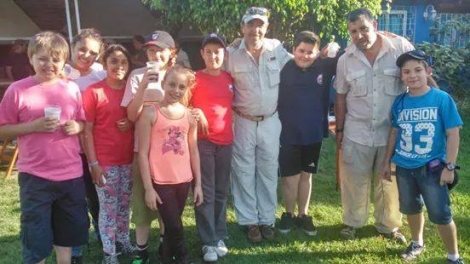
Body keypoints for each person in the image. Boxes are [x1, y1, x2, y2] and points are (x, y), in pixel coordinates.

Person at [0, 31, 88, 264]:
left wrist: (76, 127)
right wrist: (34, 126)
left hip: (71, 174)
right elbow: (2, 129)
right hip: (35, 177)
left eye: (56, 59)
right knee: (36, 236)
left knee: (67, 234)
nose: (49, 64)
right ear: (31, 58)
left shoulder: (71, 89)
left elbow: (82, 120)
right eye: (43, 59)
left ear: (64, 62)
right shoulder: (17, 90)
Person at [334, 8, 414, 241]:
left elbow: (417, 75)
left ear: (375, 25)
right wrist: (339, 129)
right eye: (353, 32)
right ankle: (352, 222)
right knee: (354, 180)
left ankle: (388, 225)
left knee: (389, 182)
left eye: (363, 28)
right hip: (356, 131)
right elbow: (340, 95)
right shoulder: (345, 60)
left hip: (392, 132)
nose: (359, 35)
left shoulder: (399, 48)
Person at [380, 50, 465, 264]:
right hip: (405, 167)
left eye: (418, 70)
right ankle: (417, 242)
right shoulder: (400, 102)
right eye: (406, 71)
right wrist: (386, 161)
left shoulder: (441, 99)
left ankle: (453, 256)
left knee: (441, 214)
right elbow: (394, 132)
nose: (412, 75)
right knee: (411, 208)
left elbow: (453, 133)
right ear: (401, 76)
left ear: (428, 71)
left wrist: (450, 166)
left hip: (432, 168)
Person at [226, 6, 292, 242]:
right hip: (242, 121)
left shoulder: (277, 48)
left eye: (260, 24)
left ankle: (267, 219)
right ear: (242, 27)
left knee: (267, 171)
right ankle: (249, 221)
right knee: (243, 171)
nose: (255, 29)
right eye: (250, 24)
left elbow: (303, 63)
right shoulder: (229, 54)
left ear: (266, 27)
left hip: (270, 121)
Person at [121, 30, 177, 263]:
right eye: (150, 50)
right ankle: (141, 250)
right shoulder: (136, 75)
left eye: (160, 49)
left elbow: (183, 110)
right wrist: (144, 86)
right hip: (142, 151)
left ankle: (165, 245)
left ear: (171, 52)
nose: (154, 54)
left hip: (171, 151)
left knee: (167, 201)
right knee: (143, 202)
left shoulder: (178, 76)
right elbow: (132, 115)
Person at [138, 65, 203, 264]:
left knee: (169, 224)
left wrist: (198, 184)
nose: (176, 90)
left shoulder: (189, 116)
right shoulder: (151, 113)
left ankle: (166, 257)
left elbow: (193, 150)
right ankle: (183, 258)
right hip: (161, 181)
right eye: (172, 84)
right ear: (164, 83)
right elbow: (142, 152)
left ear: (187, 89)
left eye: (181, 87)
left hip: (183, 180)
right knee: (174, 226)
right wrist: (148, 188)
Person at [277, 31, 338, 236]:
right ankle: (288, 214)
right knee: (289, 178)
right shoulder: (283, 67)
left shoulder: (325, 67)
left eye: (310, 52)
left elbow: (346, 52)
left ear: (317, 53)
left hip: (312, 134)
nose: (305, 56)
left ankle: (303, 214)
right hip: (288, 133)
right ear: (293, 50)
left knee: (306, 176)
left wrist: (334, 45)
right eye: (301, 51)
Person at [82, 44, 137, 263]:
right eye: (114, 61)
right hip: (105, 161)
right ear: (104, 64)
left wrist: (131, 123)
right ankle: (109, 251)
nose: (119, 66)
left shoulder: (132, 89)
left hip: (128, 160)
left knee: (125, 205)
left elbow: (139, 117)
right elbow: (86, 130)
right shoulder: (94, 92)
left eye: (123, 62)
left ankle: (123, 241)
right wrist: (93, 163)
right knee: (107, 208)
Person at [191, 33, 233, 262]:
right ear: (202, 54)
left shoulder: (229, 78)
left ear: (224, 54)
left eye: (217, 51)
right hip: (203, 143)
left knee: (220, 192)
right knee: (205, 192)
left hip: (226, 142)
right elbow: (182, 106)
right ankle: (207, 242)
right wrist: (196, 113)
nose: (213, 56)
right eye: (209, 51)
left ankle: (219, 235)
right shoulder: (194, 78)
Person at [66, 28, 107, 264]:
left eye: (93, 52)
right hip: (67, 150)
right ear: (73, 47)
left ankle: (104, 237)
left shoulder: (101, 74)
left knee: (97, 197)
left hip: (94, 148)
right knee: (73, 200)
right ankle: (75, 249)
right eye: (82, 49)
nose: (86, 55)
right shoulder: (61, 72)